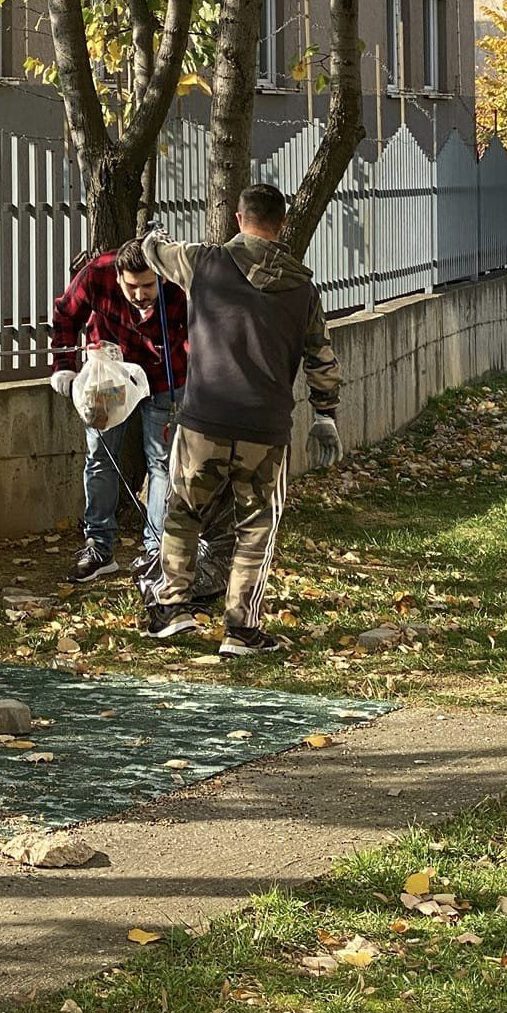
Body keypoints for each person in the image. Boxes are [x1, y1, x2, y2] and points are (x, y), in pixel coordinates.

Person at [139, 183, 342, 658]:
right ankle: (242, 629)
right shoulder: (303, 287)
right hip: (265, 429)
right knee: (256, 527)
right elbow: (321, 358)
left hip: (202, 421)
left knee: (182, 515)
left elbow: (153, 252)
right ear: (283, 224)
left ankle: (171, 608)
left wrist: (153, 234)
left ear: (237, 218)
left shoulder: (204, 263)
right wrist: (325, 414)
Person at [51, 237, 189, 584]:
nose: (141, 294)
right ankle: (99, 547)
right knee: (100, 457)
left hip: (163, 377)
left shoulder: (180, 279)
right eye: (132, 287)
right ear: (118, 275)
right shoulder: (97, 274)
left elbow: (200, 332)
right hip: (109, 376)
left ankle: (156, 551)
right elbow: (66, 313)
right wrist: (65, 367)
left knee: (162, 464)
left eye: (148, 285)